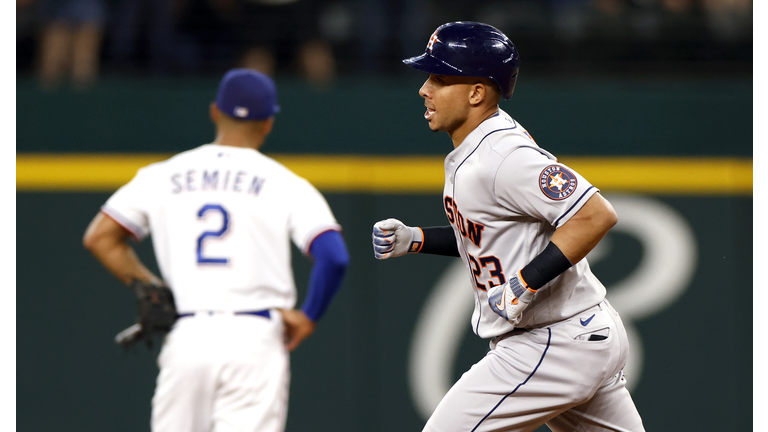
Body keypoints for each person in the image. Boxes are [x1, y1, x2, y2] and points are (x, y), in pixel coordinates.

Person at [372, 22, 645, 431]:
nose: (424, 89)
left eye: (439, 78)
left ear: (477, 92)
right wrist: (417, 239)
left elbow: (596, 214)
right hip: (580, 334)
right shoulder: (481, 146)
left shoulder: (503, 156)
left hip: (553, 341)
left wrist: (525, 282)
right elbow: (489, 235)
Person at [83, 68, 349, 432]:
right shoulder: (287, 183)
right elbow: (333, 256)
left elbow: (99, 237)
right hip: (254, 337)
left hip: (188, 334)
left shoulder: (162, 174)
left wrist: (150, 285)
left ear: (214, 112)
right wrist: (308, 316)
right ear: (268, 122)